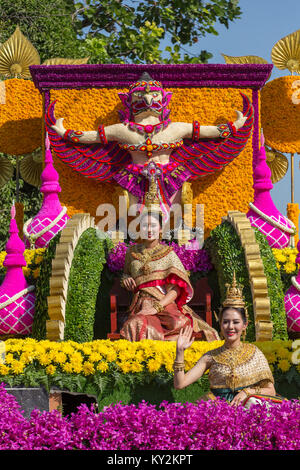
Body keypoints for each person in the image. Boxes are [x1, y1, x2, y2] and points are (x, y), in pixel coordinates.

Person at [173, 273, 284, 407]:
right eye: (226, 322)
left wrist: (247, 392)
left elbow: (271, 391)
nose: (230, 327)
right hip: (219, 412)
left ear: (244, 325)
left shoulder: (255, 353)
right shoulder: (211, 356)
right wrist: (179, 351)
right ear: (220, 324)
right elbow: (180, 384)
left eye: (235, 322)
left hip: (248, 410)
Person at [119, 207, 219, 342]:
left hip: (164, 304)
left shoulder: (168, 254)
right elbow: (126, 274)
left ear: (160, 229)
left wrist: (157, 307)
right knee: (137, 324)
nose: (149, 230)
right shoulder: (132, 253)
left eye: (153, 225)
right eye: (144, 226)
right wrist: (126, 280)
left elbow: (176, 289)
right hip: (141, 305)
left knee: (177, 323)